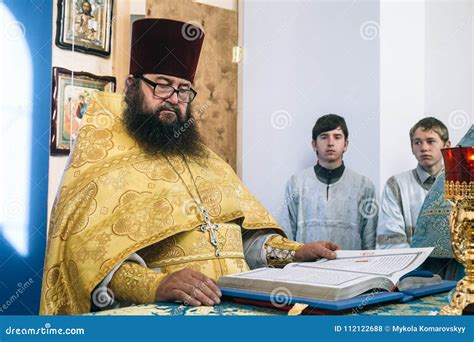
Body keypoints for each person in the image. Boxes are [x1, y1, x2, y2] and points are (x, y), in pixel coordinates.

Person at [40, 18, 339, 315]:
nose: (173, 98)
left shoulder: (206, 161)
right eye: (162, 85)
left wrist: (295, 252)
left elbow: (243, 240)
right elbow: (85, 258)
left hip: (241, 311)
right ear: (132, 85)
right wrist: (154, 285)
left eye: (183, 89)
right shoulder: (102, 160)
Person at [281, 114, 377, 250]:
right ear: (314, 145)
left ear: (346, 144)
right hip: (306, 269)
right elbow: (287, 236)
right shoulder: (296, 183)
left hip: (351, 269)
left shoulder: (364, 185)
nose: (330, 143)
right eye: (324, 137)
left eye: (337, 137)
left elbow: (370, 240)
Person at [376, 117, 451, 249]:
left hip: (454, 268)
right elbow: (390, 241)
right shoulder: (396, 185)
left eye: (431, 141)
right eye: (417, 142)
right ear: (411, 148)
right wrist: (417, 268)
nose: (424, 148)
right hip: (412, 268)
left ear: (447, 146)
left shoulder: (461, 184)